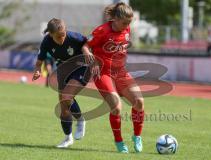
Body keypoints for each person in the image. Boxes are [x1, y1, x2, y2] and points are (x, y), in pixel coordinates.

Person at [82, 2, 144, 153]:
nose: (127, 25)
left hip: (121, 72)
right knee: (116, 107)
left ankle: (137, 136)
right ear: (115, 18)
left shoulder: (127, 27)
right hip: (103, 73)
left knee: (139, 102)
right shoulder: (102, 31)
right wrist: (88, 53)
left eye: (129, 22)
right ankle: (119, 141)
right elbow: (85, 45)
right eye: (124, 22)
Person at [32, 18, 92, 148]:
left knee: (66, 96)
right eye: (58, 37)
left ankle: (81, 121)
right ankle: (68, 138)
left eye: (63, 35)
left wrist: (86, 50)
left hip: (81, 67)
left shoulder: (74, 37)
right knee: (64, 106)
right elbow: (39, 60)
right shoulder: (47, 41)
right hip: (63, 70)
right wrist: (37, 71)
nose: (62, 39)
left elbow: (87, 42)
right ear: (51, 34)